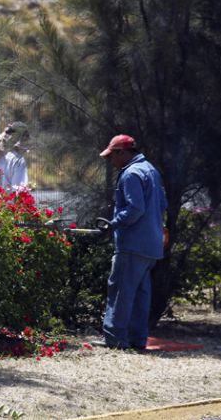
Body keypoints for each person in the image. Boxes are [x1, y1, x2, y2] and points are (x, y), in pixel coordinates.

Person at [96, 134, 167, 350]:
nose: (111, 161)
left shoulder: (130, 174)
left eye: (112, 156)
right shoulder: (151, 170)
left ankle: (115, 339)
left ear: (122, 153)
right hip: (151, 245)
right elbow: (162, 204)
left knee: (120, 291)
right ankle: (137, 340)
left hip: (132, 245)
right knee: (140, 295)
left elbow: (135, 209)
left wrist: (113, 224)